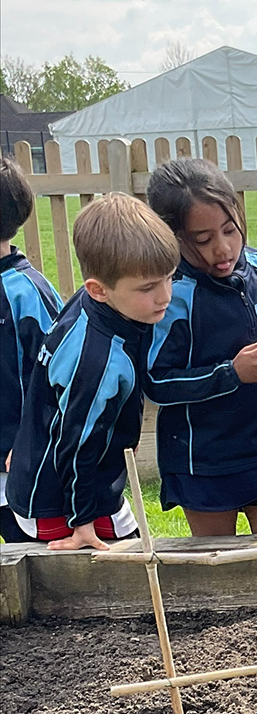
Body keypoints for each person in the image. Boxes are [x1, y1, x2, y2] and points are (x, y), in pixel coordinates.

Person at [145, 158, 257, 537]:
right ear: (172, 237)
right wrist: (231, 374)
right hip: (204, 462)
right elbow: (156, 382)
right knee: (222, 574)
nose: (223, 247)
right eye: (203, 239)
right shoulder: (171, 297)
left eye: (230, 230)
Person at [6, 193, 179, 550]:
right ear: (98, 290)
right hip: (58, 500)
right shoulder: (95, 362)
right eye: (148, 288)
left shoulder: (103, 306)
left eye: (169, 279)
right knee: (119, 577)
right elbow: (76, 443)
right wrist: (81, 522)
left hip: (87, 481)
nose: (165, 296)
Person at [0, 156, 64, 543]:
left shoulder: (27, 294)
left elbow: (55, 376)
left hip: (17, 469)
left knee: (36, 569)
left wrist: (28, 443)